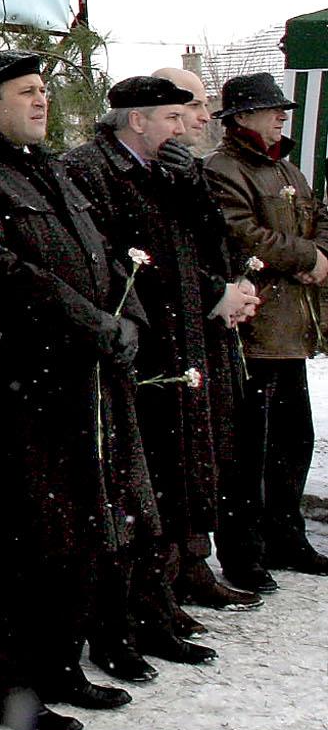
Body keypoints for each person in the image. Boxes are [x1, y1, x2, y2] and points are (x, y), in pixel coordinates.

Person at [0, 51, 158, 730]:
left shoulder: (50, 168)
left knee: (81, 531)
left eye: (44, 91)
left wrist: (131, 318)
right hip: (21, 392)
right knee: (16, 542)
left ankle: (60, 665)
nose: (41, 101)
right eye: (25, 92)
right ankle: (9, 685)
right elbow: (5, 271)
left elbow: (107, 256)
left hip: (85, 383)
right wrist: (94, 323)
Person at [63, 76, 229, 680]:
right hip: (136, 351)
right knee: (134, 493)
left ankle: (156, 611)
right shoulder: (90, 170)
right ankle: (120, 624)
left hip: (180, 347)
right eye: (174, 120)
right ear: (139, 122)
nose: (186, 130)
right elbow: (105, 264)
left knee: (173, 486)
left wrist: (194, 190)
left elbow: (214, 246)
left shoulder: (170, 172)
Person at [203, 70, 328, 590]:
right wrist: (307, 256)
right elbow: (240, 233)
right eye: (272, 109)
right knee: (246, 449)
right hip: (253, 333)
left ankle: (285, 534)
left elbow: (320, 215)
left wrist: (321, 253)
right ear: (242, 118)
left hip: (291, 329)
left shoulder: (288, 171)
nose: (281, 116)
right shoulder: (223, 170)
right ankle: (244, 549)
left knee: (294, 441)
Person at [154, 65, 263, 612]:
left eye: (198, 106)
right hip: (176, 333)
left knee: (210, 447)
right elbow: (159, 257)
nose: (201, 117)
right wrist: (217, 291)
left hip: (210, 330)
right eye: (188, 107)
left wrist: (239, 279)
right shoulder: (150, 173)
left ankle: (193, 562)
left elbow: (217, 237)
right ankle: (173, 570)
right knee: (179, 453)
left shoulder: (189, 171)